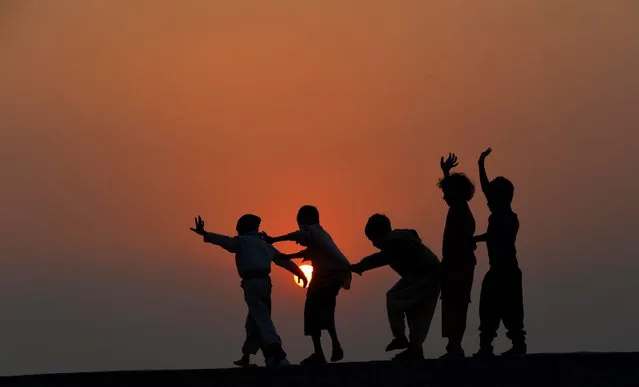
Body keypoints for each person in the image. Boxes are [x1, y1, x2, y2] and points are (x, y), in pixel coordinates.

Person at [189, 214, 308, 368]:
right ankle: (248, 356)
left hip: (252, 284)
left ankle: (275, 348)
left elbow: (225, 241)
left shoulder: (242, 242)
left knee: (261, 316)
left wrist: (205, 234)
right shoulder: (264, 243)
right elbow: (282, 259)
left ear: (242, 227)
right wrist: (299, 273)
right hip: (265, 283)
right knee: (253, 322)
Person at [261, 205, 351, 365]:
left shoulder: (310, 231)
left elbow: (301, 235)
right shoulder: (321, 234)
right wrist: (288, 255)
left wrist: (274, 240)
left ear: (303, 221)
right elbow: (311, 252)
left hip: (325, 278)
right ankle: (334, 345)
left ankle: (320, 352)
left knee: (312, 312)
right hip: (333, 277)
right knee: (326, 311)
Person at [350, 214, 441, 361]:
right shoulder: (400, 237)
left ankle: (400, 338)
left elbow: (381, 258)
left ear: (380, 233)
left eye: (373, 239)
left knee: (393, 298)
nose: (374, 244)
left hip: (425, 274)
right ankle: (415, 350)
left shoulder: (393, 241)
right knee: (416, 312)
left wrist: (361, 266)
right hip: (429, 275)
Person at [473, 148, 527, 356]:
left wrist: (480, 165)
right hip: (501, 270)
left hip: (505, 271)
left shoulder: (505, 216)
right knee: (491, 308)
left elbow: (496, 236)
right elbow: (492, 236)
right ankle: (488, 346)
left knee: (504, 309)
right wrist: (480, 164)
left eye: (491, 196)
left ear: (501, 197)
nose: (487, 199)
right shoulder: (502, 215)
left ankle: (511, 345)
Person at [437, 153, 477, 358]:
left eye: (446, 192)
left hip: (458, 266)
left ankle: (455, 347)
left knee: (456, 304)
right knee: (454, 304)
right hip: (456, 265)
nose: (443, 196)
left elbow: (459, 244)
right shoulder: (458, 209)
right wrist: (446, 172)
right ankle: (453, 346)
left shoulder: (460, 211)